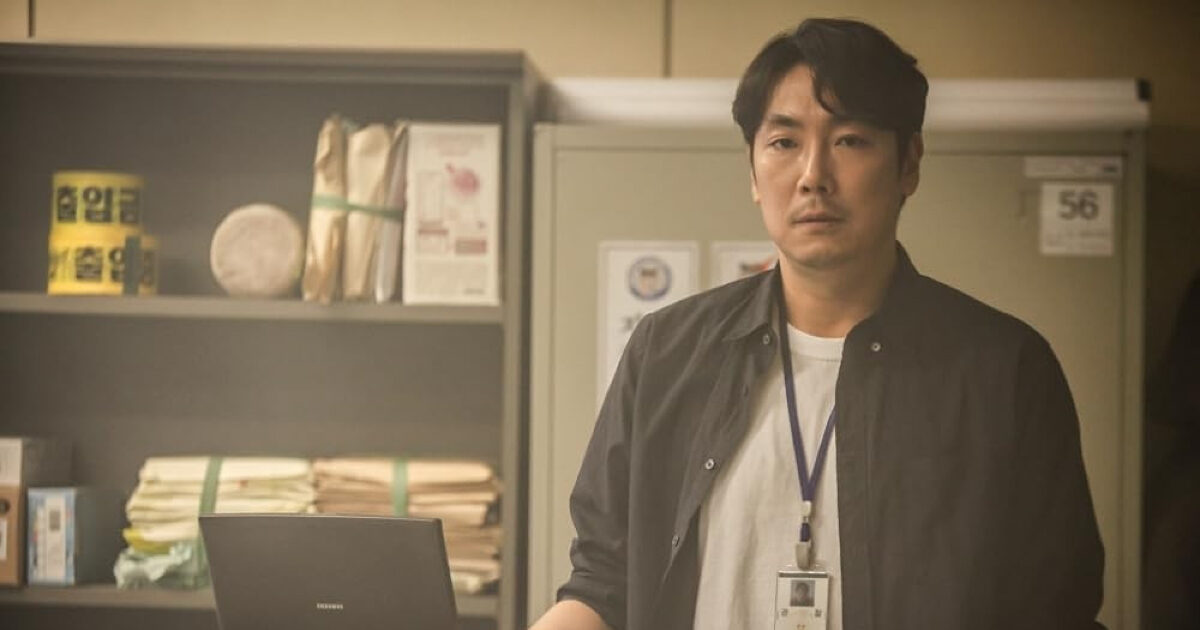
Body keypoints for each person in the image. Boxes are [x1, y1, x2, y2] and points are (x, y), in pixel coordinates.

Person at [530, 17, 1104, 630]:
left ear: (908, 164)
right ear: (753, 172)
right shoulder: (667, 352)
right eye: (784, 143)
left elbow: (1054, 607)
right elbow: (603, 582)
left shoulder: (1003, 370)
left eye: (850, 140)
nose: (813, 176)